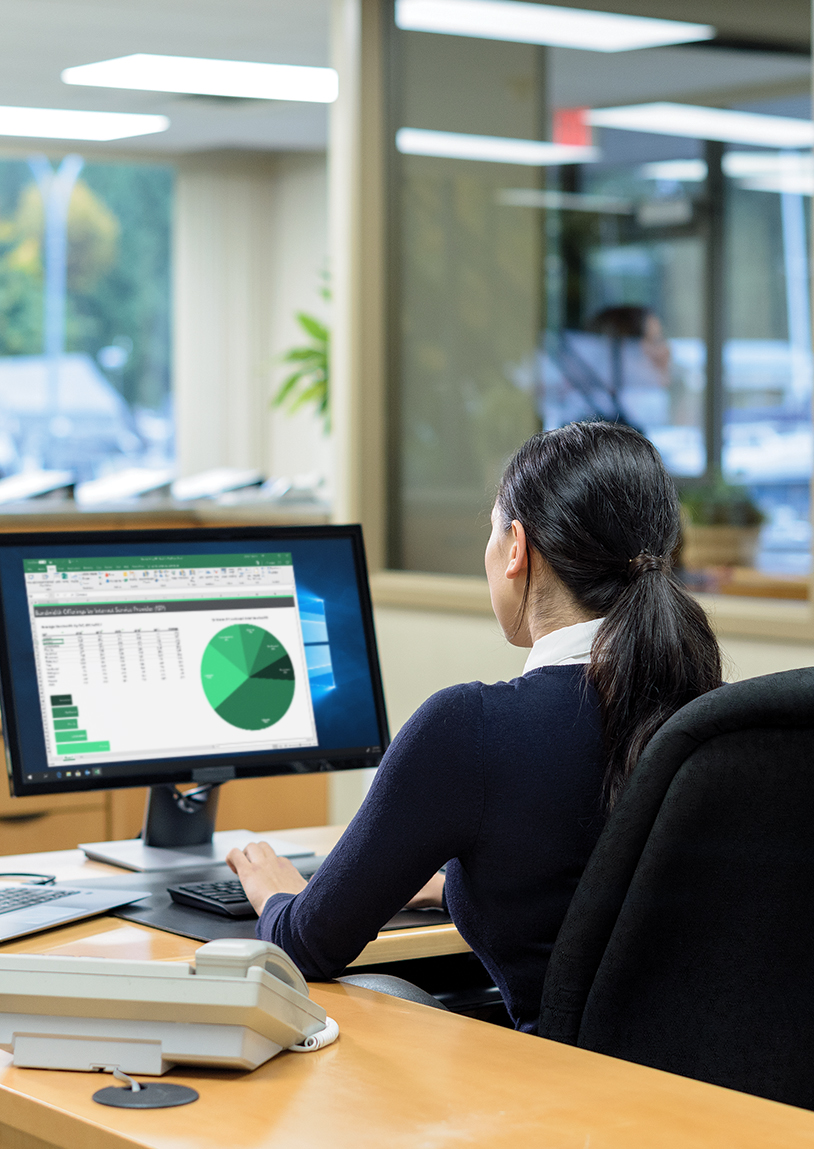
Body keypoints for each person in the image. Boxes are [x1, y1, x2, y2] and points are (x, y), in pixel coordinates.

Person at [226, 420, 724, 1031]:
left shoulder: (473, 730)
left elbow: (306, 947)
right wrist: (464, 882)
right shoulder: (715, 715)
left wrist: (277, 894)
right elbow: (606, 883)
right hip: (722, 1105)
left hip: (573, 1107)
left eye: (490, 531)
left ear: (516, 547)